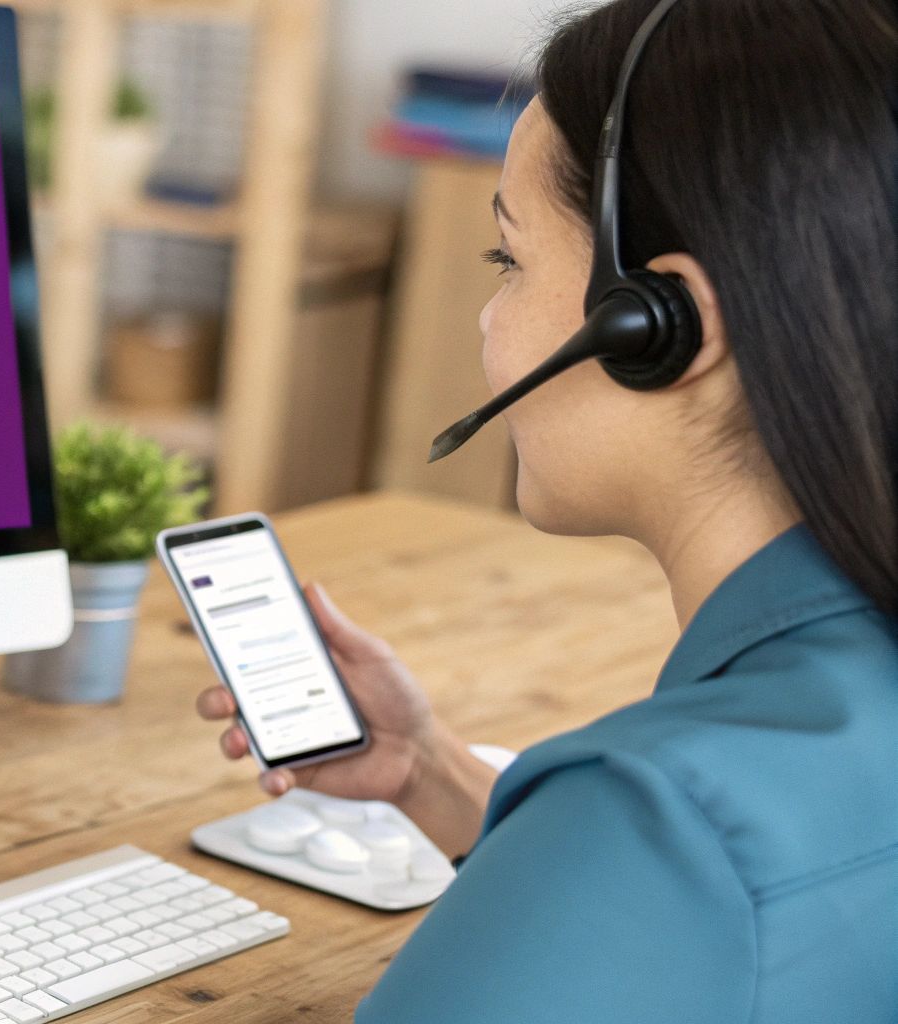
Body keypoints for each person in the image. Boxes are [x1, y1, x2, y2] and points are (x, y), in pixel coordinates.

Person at [195, 1, 898, 1020]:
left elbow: (676, 870)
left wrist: (590, 836)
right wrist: (431, 773)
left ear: (660, 326)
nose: (488, 315)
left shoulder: (652, 815)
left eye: (508, 261)